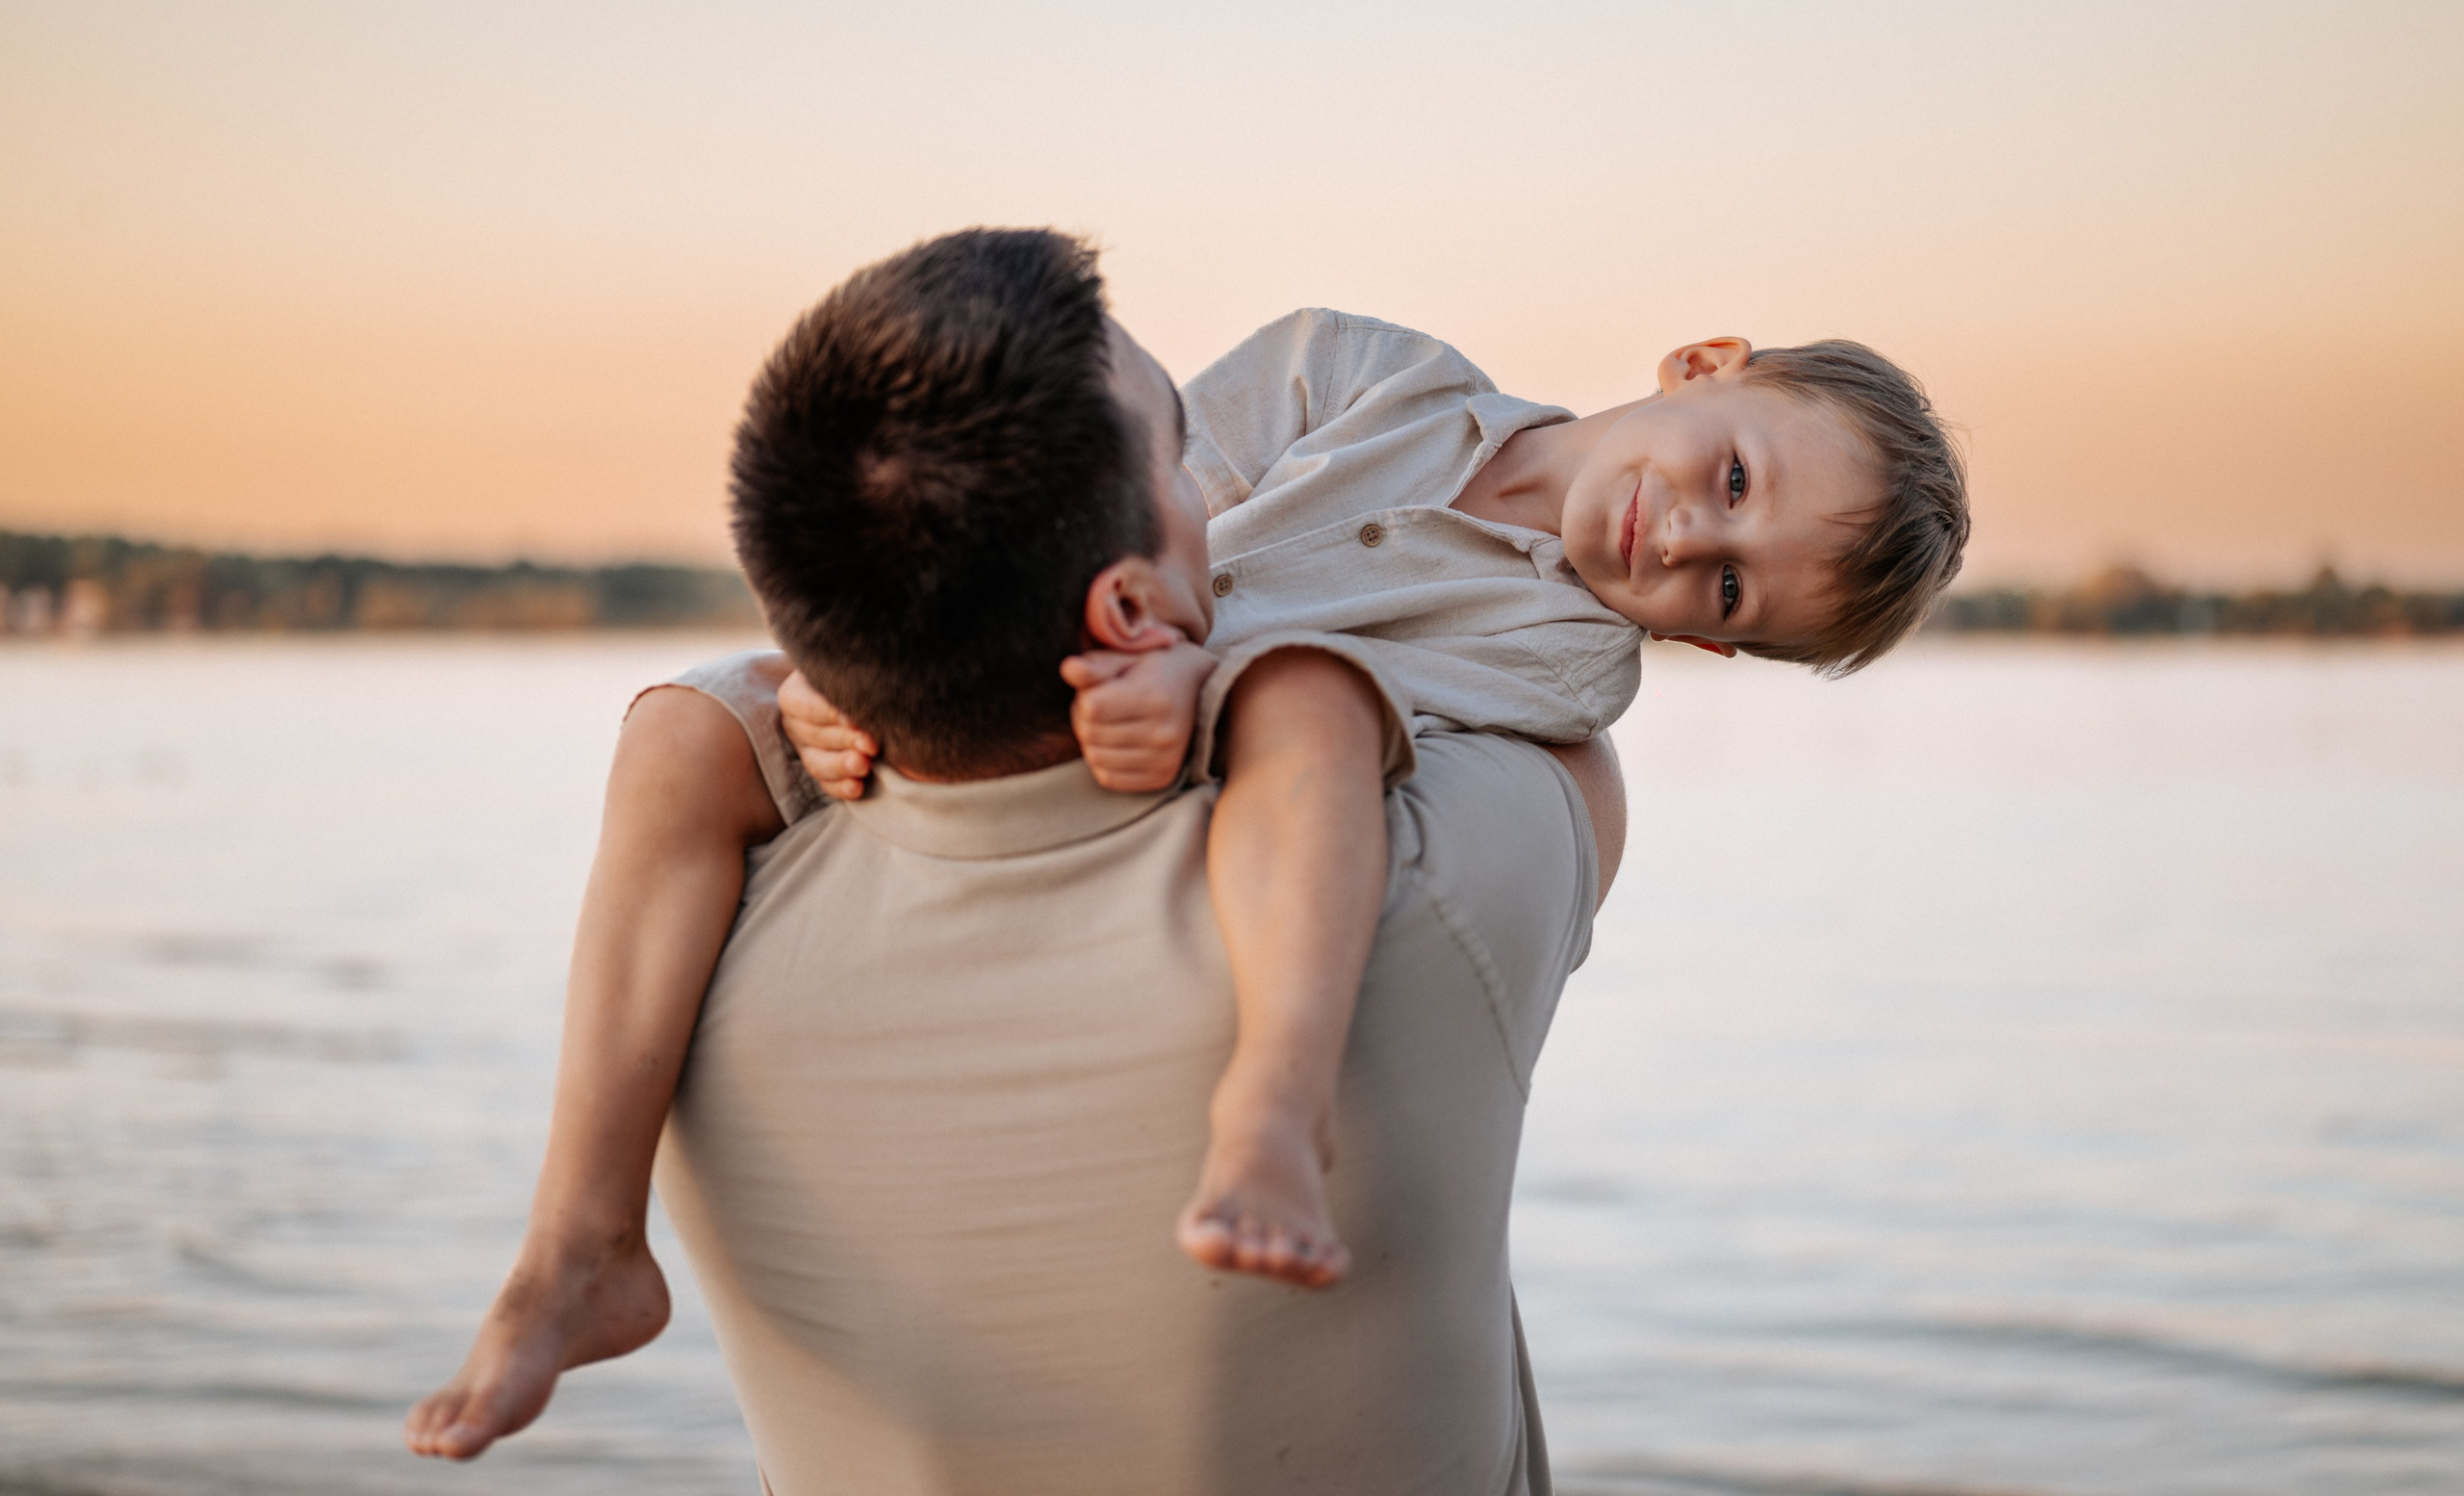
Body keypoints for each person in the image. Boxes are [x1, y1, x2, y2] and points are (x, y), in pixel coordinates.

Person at [410, 226, 1619, 1491]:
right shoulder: (1432, 884)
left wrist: (781, 681)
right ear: (1129, 608)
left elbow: (701, 730)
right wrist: (1235, 684)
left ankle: (574, 1252)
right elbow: (1576, 746)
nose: (1227, 499)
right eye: (1187, 461)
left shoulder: (697, 951)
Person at [792, 304, 1969, 1282]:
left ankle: (1276, 1107)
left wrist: (1189, 689)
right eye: (1730, 477)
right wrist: (913, 658)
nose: (1679, 538)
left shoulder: (1562, 666)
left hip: (1208, 738)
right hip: (1058, 620)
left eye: (1726, 586)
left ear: (1713, 646)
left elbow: (1355, 715)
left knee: (1317, 711)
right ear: (1702, 366)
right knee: (705, 717)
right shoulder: (1359, 368)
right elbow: (1143, 499)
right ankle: (598, 1214)